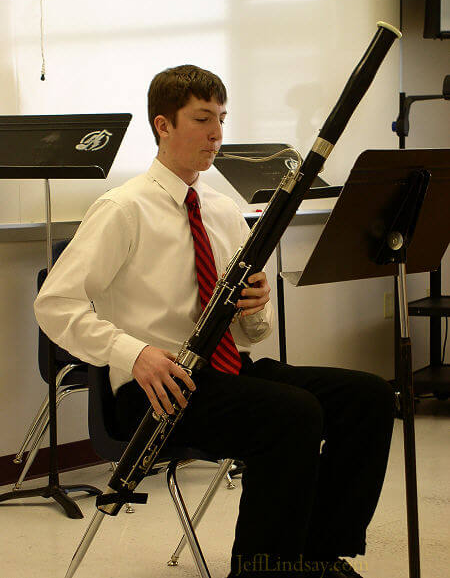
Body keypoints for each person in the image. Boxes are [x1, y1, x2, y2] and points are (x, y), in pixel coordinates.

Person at [34, 65, 395, 578]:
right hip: (155, 388)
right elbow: (55, 304)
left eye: (221, 119)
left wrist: (255, 306)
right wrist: (132, 353)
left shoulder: (224, 212)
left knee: (368, 397)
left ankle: (316, 555)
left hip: (224, 373)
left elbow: (250, 333)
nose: (217, 135)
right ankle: (262, 570)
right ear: (163, 125)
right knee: (291, 414)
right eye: (203, 119)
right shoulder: (123, 209)